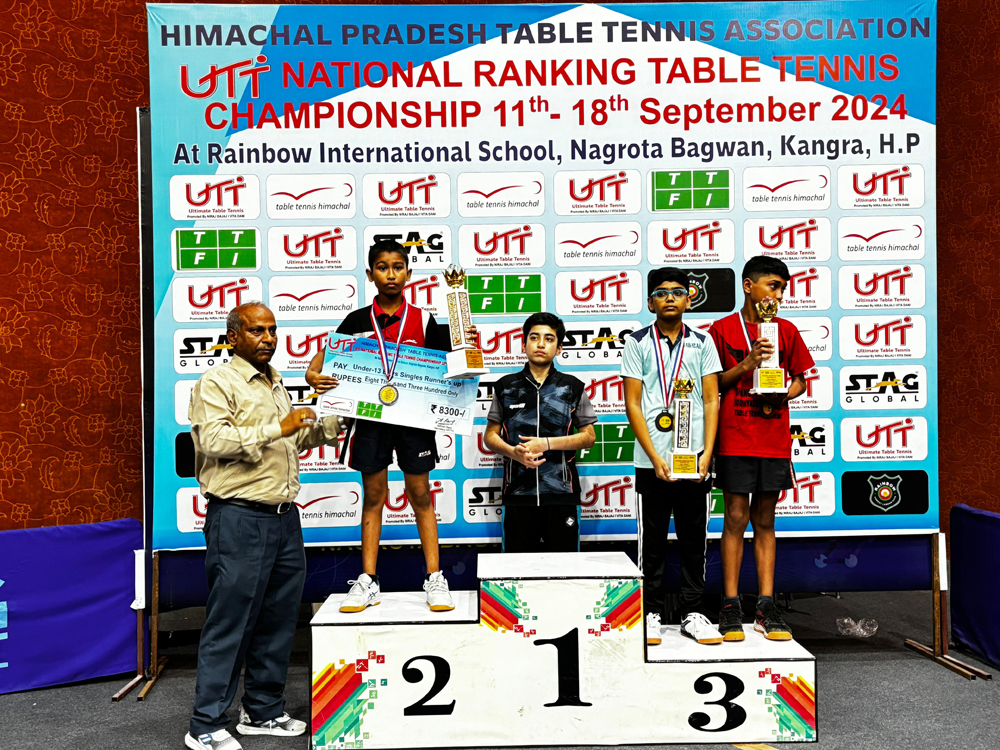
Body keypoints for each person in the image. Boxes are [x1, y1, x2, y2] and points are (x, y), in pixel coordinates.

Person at [186, 302, 342, 750]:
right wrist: (278, 426)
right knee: (231, 623)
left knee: (278, 620)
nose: (268, 338)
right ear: (233, 337)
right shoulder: (217, 381)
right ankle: (206, 723)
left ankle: (263, 710)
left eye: (273, 330)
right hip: (239, 516)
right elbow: (212, 440)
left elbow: (294, 437)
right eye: (257, 330)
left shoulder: (275, 381)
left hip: (284, 517)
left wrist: (340, 415)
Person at [305, 239, 462, 613]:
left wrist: (465, 344)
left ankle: (435, 577)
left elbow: (453, 363)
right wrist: (312, 373)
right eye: (382, 267)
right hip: (370, 419)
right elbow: (324, 357)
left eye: (397, 267)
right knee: (373, 496)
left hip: (414, 420)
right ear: (370, 273)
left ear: (409, 273)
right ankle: (368, 580)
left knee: (420, 494)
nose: (390, 274)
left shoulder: (423, 320)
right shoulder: (357, 320)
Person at [709, 255, 814, 642]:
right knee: (735, 517)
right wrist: (748, 363)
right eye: (773, 285)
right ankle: (730, 603)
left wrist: (782, 393)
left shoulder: (786, 330)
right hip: (735, 435)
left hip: (773, 437)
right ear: (748, 286)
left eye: (783, 288)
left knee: (765, 520)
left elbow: (802, 381)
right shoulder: (722, 329)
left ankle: (766, 605)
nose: (779, 294)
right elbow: (713, 384)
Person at [621, 268, 723, 647]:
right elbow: (633, 404)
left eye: (677, 292)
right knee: (652, 544)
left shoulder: (703, 342)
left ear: (688, 300)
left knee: (695, 541)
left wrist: (707, 453)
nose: (669, 298)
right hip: (651, 462)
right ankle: (650, 612)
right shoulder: (636, 343)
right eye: (661, 293)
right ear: (651, 302)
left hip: (694, 460)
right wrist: (653, 456)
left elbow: (711, 400)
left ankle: (694, 612)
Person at [483, 312, 597, 552]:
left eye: (549, 339)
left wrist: (546, 443)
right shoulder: (505, 386)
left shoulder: (573, 387)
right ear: (524, 345)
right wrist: (513, 453)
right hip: (517, 493)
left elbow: (589, 437)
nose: (541, 344)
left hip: (562, 493)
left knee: (566, 567)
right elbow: (490, 436)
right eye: (534, 338)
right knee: (517, 568)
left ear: (559, 348)